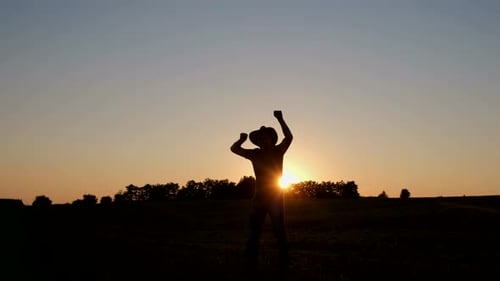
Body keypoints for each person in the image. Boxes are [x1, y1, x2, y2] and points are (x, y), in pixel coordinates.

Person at [230, 110, 293, 269]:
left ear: (272, 139)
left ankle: (284, 263)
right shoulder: (254, 154)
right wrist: (241, 140)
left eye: (265, 137)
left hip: (276, 197)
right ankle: (251, 262)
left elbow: (289, 137)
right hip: (259, 198)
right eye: (259, 138)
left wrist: (280, 119)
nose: (262, 140)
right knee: (255, 231)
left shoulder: (278, 151)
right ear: (257, 142)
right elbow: (234, 149)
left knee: (279, 230)